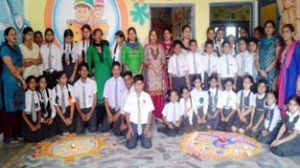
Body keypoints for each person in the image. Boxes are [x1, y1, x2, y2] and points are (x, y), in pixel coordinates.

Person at [0, 27, 25, 144]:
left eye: (15, 34)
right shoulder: (4, 49)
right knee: (10, 108)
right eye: (11, 34)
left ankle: (17, 134)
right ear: (6, 37)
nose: (14, 36)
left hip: (17, 81)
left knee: (19, 107)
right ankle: (8, 137)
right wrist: (23, 80)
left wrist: (20, 74)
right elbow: (11, 68)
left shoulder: (17, 48)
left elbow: (22, 65)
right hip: (8, 82)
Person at [87, 28, 112, 128]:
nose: (98, 36)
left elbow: (110, 61)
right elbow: (88, 64)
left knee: (108, 96)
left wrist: (113, 74)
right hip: (97, 76)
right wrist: (91, 75)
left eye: (99, 34)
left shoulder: (106, 47)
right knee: (100, 97)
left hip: (107, 75)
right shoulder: (91, 49)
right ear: (93, 36)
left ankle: (109, 121)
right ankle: (100, 121)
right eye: (96, 34)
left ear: (102, 36)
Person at [124, 75, 154, 149]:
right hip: (133, 125)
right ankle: (135, 136)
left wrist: (148, 128)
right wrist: (129, 128)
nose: (138, 86)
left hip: (144, 125)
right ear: (134, 85)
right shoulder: (130, 96)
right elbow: (127, 114)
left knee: (147, 145)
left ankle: (141, 136)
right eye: (137, 84)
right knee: (130, 146)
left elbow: (150, 113)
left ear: (143, 85)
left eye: (140, 84)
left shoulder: (147, 96)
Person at [277, 24, 300, 116]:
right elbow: (280, 66)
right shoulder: (283, 49)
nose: (285, 34)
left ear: (292, 33)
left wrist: (298, 82)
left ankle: (294, 125)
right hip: (283, 78)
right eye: (283, 32)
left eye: (287, 32)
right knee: (283, 98)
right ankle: (285, 122)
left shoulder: (297, 47)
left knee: (292, 97)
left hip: (292, 78)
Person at [144, 30, 166, 120]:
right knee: (151, 94)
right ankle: (151, 115)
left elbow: (164, 61)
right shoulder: (146, 47)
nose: (153, 37)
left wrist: (159, 69)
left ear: (157, 37)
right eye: (151, 35)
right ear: (149, 37)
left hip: (159, 74)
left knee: (159, 94)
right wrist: (154, 69)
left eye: (155, 35)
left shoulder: (160, 47)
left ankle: (158, 114)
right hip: (150, 73)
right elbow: (145, 61)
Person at [102, 62, 126, 135]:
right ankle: (112, 122)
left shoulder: (124, 82)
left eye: (118, 69)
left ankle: (116, 123)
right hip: (111, 110)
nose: (116, 72)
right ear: (111, 70)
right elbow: (105, 99)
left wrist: (118, 114)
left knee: (117, 132)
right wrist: (109, 113)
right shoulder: (108, 82)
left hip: (120, 111)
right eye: (114, 69)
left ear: (120, 70)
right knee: (104, 128)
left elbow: (126, 102)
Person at [74, 63, 97, 134]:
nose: (84, 72)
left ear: (88, 72)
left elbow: (95, 99)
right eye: (82, 70)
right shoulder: (76, 84)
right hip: (81, 110)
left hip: (90, 109)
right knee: (79, 131)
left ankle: (89, 123)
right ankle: (84, 123)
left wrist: (90, 113)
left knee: (93, 129)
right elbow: (76, 101)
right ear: (79, 72)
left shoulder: (93, 83)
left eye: (86, 70)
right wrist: (81, 114)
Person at [257, 20, 278, 90]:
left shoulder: (276, 41)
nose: (268, 29)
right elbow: (257, 57)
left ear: (274, 29)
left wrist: (266, 71)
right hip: (260, 71)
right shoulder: (260, 41)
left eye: (270, 27)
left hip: (271, 72)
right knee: (260, 92)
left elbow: (276, 58)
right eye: (266, 27)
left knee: (271, 92)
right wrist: (260, 70)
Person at [21, 76, 43, 142]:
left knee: (41, 136)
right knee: (31, 138)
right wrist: (31, 126)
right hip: (28, 119)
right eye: (31, 83)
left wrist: (38, 123)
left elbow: (39, 111)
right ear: (27, 84)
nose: (33, 85)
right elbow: (23, 114)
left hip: (35, 118)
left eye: (35, 83)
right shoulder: (24, 95)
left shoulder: (37, 93)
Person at [119, 71, 135, 136]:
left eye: (128, 79)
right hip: (128, 118)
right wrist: (122, 123)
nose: (127, 82)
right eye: (125, 80)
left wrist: (127, 125)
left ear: (132, 80)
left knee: (129, 136)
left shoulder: (136, 91)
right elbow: (123, 110)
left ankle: (132, 131)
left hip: (136, 120)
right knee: (118, 131)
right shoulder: (124, 93)